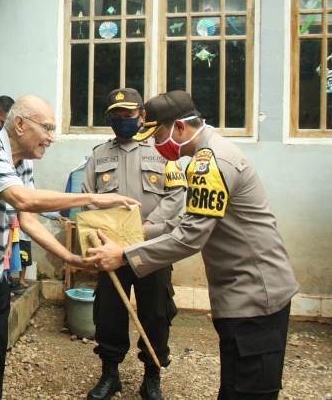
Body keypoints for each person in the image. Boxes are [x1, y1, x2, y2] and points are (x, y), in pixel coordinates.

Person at [84, 90, 299, 400]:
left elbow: (190, 236)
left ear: (180, 128)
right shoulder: (208, 154)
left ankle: (152, 373)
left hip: (255, 297)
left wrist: (125, 253)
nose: (157, 143)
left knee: (249, 390)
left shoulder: (209, 163)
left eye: (159, 134)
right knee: (236, 386)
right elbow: (188, 225)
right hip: (243, 295)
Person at [0, 95, 139, 399]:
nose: (52, 138)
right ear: (20, 125)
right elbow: (23, 199)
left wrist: (70, 257)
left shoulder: (21, 162)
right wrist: (94, 198)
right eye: (48, 128)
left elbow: (27, 220)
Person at [80, 88, 186, 400]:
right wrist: (105, 235)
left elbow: (176, 197)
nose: (122, 120)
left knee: (156, 313)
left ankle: (152, 376)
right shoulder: (100, 155)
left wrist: (144, 232)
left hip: (152, 250)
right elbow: (89, 198)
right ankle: (110, 375)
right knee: (109, 313)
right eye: (116, 115)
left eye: (128, 114)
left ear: (142, 115)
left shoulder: (163, 150)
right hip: (110, 249)